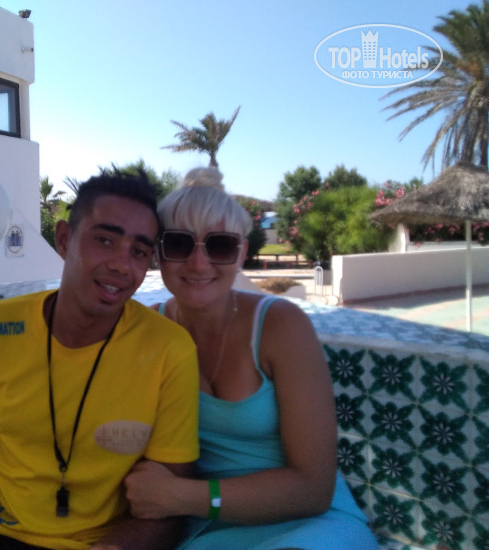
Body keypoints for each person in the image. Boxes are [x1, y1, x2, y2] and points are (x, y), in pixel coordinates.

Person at [0, 169, 200, 550]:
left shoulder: (169, 349)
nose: (121, 265)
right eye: (104, 240)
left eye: (139, 251)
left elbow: (168, 506)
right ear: (63, 239)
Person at [124, 168, 378, 549]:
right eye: (178, 244)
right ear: (159, 253)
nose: (198, 263)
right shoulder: (148, 331)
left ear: (242, 253)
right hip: (205, 529)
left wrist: (182, 497)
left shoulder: (280, 326)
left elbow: (313, 488)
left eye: (220, 246)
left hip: (307, 524)